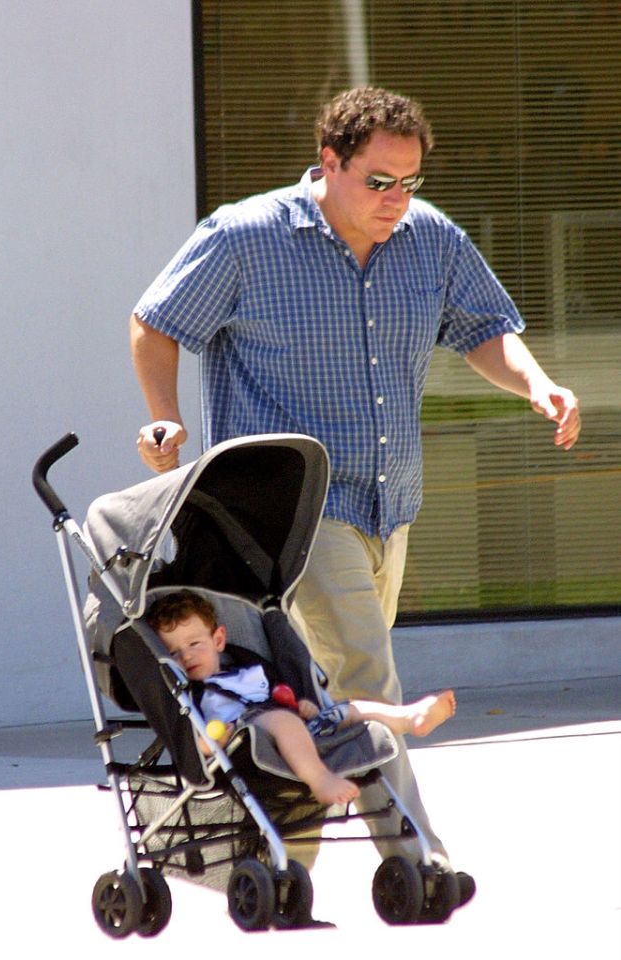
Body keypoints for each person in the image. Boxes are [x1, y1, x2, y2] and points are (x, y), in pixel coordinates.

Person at [129, 86, 581, 896]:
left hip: (388, 501)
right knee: (370, 676)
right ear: (328, 163)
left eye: (409, 181)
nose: (397, 199)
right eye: (379, 181)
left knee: (319, 695)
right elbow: (156, 322)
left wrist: (537, 384)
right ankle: (415, 857)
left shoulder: (427, 237)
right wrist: (164, 417)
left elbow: (482, 328)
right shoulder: (244, 236)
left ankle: (274, 862)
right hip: (286, 510)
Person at [147, 590, 457, 807]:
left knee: (345, 708)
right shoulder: (191, 693)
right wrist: (204, 743)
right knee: (281, 720)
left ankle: (409, 717)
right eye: (173, 652)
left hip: (293, 724)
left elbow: (279, 694)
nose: (185, 655)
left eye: (194, 643)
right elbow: (192, 733)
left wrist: (300, 705)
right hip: (246, 736)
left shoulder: (249, 667)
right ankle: (320, 779)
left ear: (218, 640)